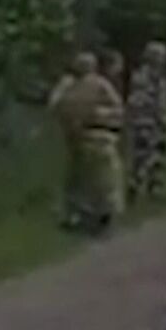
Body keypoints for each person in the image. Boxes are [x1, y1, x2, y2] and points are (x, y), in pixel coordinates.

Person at [50, 51, 126, 234]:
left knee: (89, 179)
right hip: (90, 137)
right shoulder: (94, 85)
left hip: (88, 136)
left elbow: (56, 107)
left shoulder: (72, 87)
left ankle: (90, 216)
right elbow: (118, 108)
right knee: (98, 179)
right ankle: (96, 216)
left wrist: (99, 115)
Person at [126, 40, 166, 202]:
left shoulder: (160, 77)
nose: (163, 59)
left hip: (159, 121)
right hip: (145, 121)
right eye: (160, 56)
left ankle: (155, 187)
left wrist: (164, 117)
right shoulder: (142, 77)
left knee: (159, 154)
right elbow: (137, 101)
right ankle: (134, 186)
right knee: (141, 155)